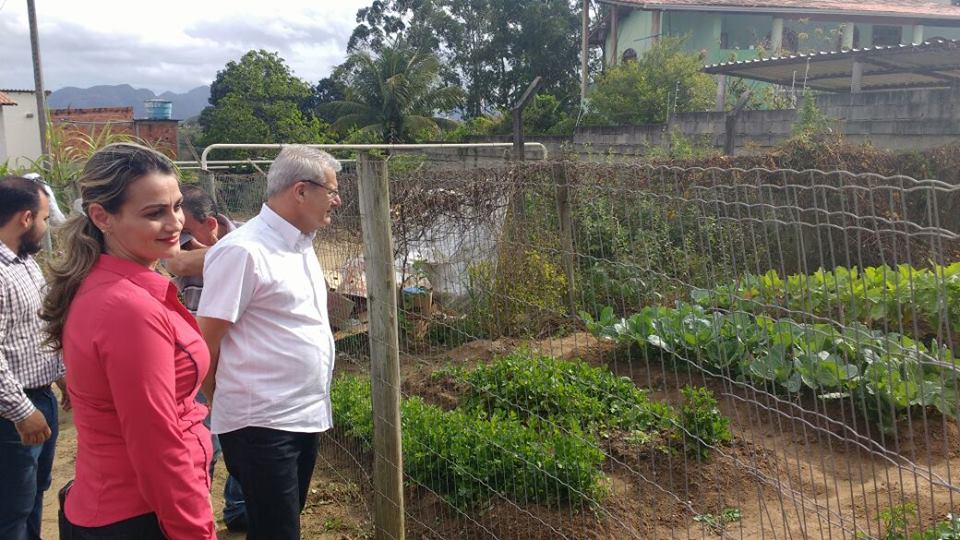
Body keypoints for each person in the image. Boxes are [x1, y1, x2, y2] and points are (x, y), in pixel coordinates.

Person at [41, 143, 216, 539]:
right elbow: (156, 444)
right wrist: (194, 532)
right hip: (139, 514)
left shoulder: (110, 286)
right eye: (154, 213)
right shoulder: (129, 308)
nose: (174, 223)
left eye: (175, 206)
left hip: (124, 506)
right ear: (102, 217)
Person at [197, 145, 341, 540]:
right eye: (331, 190)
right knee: (276, 531)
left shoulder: (300, 245)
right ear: (300, 191)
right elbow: (204, 343)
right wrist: (220, 398)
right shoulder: (244, 251)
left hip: (303, 416)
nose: (337, 200)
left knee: (283, 523)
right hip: (261, 423)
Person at [165, 184, 248, 532]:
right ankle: (198, 515)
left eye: (184, 232)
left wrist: (216, 254)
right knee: (205, 444)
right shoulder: (243, 247)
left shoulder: (247, 241)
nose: (175, 240)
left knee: (245, 437)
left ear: (210, 222)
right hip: (200, 360)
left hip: (242, 358)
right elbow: (176, 262)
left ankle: (239, 507)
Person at [0, 176, 65, 540]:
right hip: (11, 412)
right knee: (12, 507)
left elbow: (36, 329)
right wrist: (22, 413)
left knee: (32, 496)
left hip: (38, 397)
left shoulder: (23, 261)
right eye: (42, 219)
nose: (44, 227)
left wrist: (61, 373)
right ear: (25, 219)